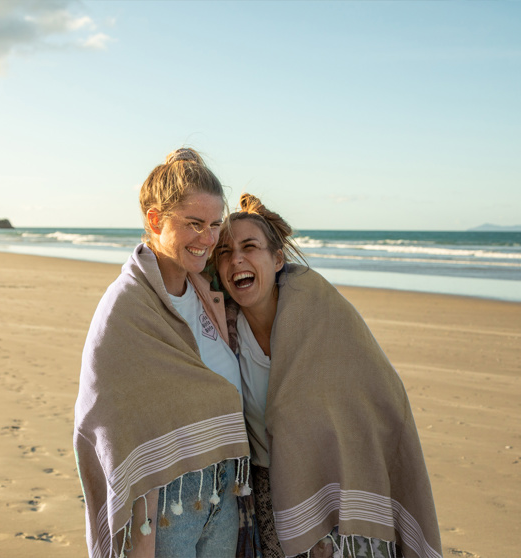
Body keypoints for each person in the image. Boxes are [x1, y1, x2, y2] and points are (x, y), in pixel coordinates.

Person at [213, 194, 442, 558]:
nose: (235, 258)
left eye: (249, 246)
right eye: (224, 251)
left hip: (338, 486)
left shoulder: (322, 312)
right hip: (267, 496)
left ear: (277, 260)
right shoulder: (221, 332)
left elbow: (383, 396)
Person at [74, 149, 255, 558]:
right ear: (155, 221)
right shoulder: (127, 306)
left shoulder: (207, 293)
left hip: (223, 489)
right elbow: (104, 415)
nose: (207, 239)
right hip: (165, 500)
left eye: (213, 225)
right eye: (194, 224)